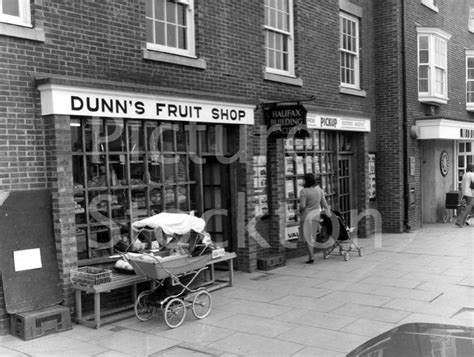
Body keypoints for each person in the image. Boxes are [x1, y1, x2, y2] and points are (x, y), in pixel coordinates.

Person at [299, 173, 329, 263]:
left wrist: (299, 210)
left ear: (306, 181)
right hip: (316, 215)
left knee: (308, 238)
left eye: (304, 179)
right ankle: (316, 254)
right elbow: (324, 203)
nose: (302, 181)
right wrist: (327, 211)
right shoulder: (319, 189)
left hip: (306, 216)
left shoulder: (303, 191)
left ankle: (311, 257)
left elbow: (302, 206)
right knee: (312, 236)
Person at [455, 163, 474, 228]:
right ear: (472, 168)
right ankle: (460, 222)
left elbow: (462, 185)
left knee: (465, 208)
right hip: (470, 194)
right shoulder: (472, 174)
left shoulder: (464, 175)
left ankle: (459, 221)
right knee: (467, 209)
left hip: (465, 194)